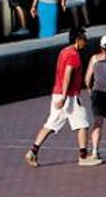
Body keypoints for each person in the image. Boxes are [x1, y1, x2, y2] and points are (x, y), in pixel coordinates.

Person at [25, 28, 102, 167]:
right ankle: (83, 157)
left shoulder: (63, 51)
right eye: (84, 39)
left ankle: (33, 151)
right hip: (68, 96)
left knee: (50, 124)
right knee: (83, 124)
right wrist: (65, 98)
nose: (86, 42)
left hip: (58, 93)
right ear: (78, 40)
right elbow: (67, 77)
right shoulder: (74, 55)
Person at [85, 38, 106, 159]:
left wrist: (90, 91)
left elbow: (87, 78)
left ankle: (94, 151)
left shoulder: (94, 59)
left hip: (98, 94)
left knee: (98, 123)